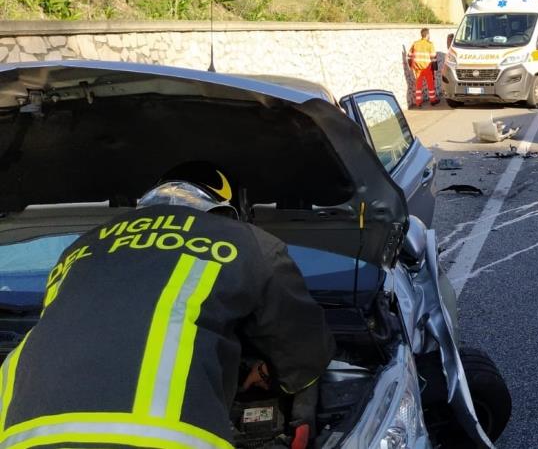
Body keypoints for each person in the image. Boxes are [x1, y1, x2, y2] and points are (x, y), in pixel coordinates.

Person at [1, 162, 335, 448]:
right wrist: (268, 373)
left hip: (23, 436)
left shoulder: (83, 246)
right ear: (230, 209)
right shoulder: (245, 240)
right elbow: (305, 351)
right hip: (163, 438)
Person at [408, 28, 439, 107]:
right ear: (427, 35)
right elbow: (433, 57)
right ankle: (432, 100)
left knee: (418, 85)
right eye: (429, 34)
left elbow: (409, 55)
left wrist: (411, 65)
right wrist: (435, 67)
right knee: (430, 84)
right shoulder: (429, 44)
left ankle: (418, 102)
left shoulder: (415, 43)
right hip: (427, 67)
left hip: (417, 68)